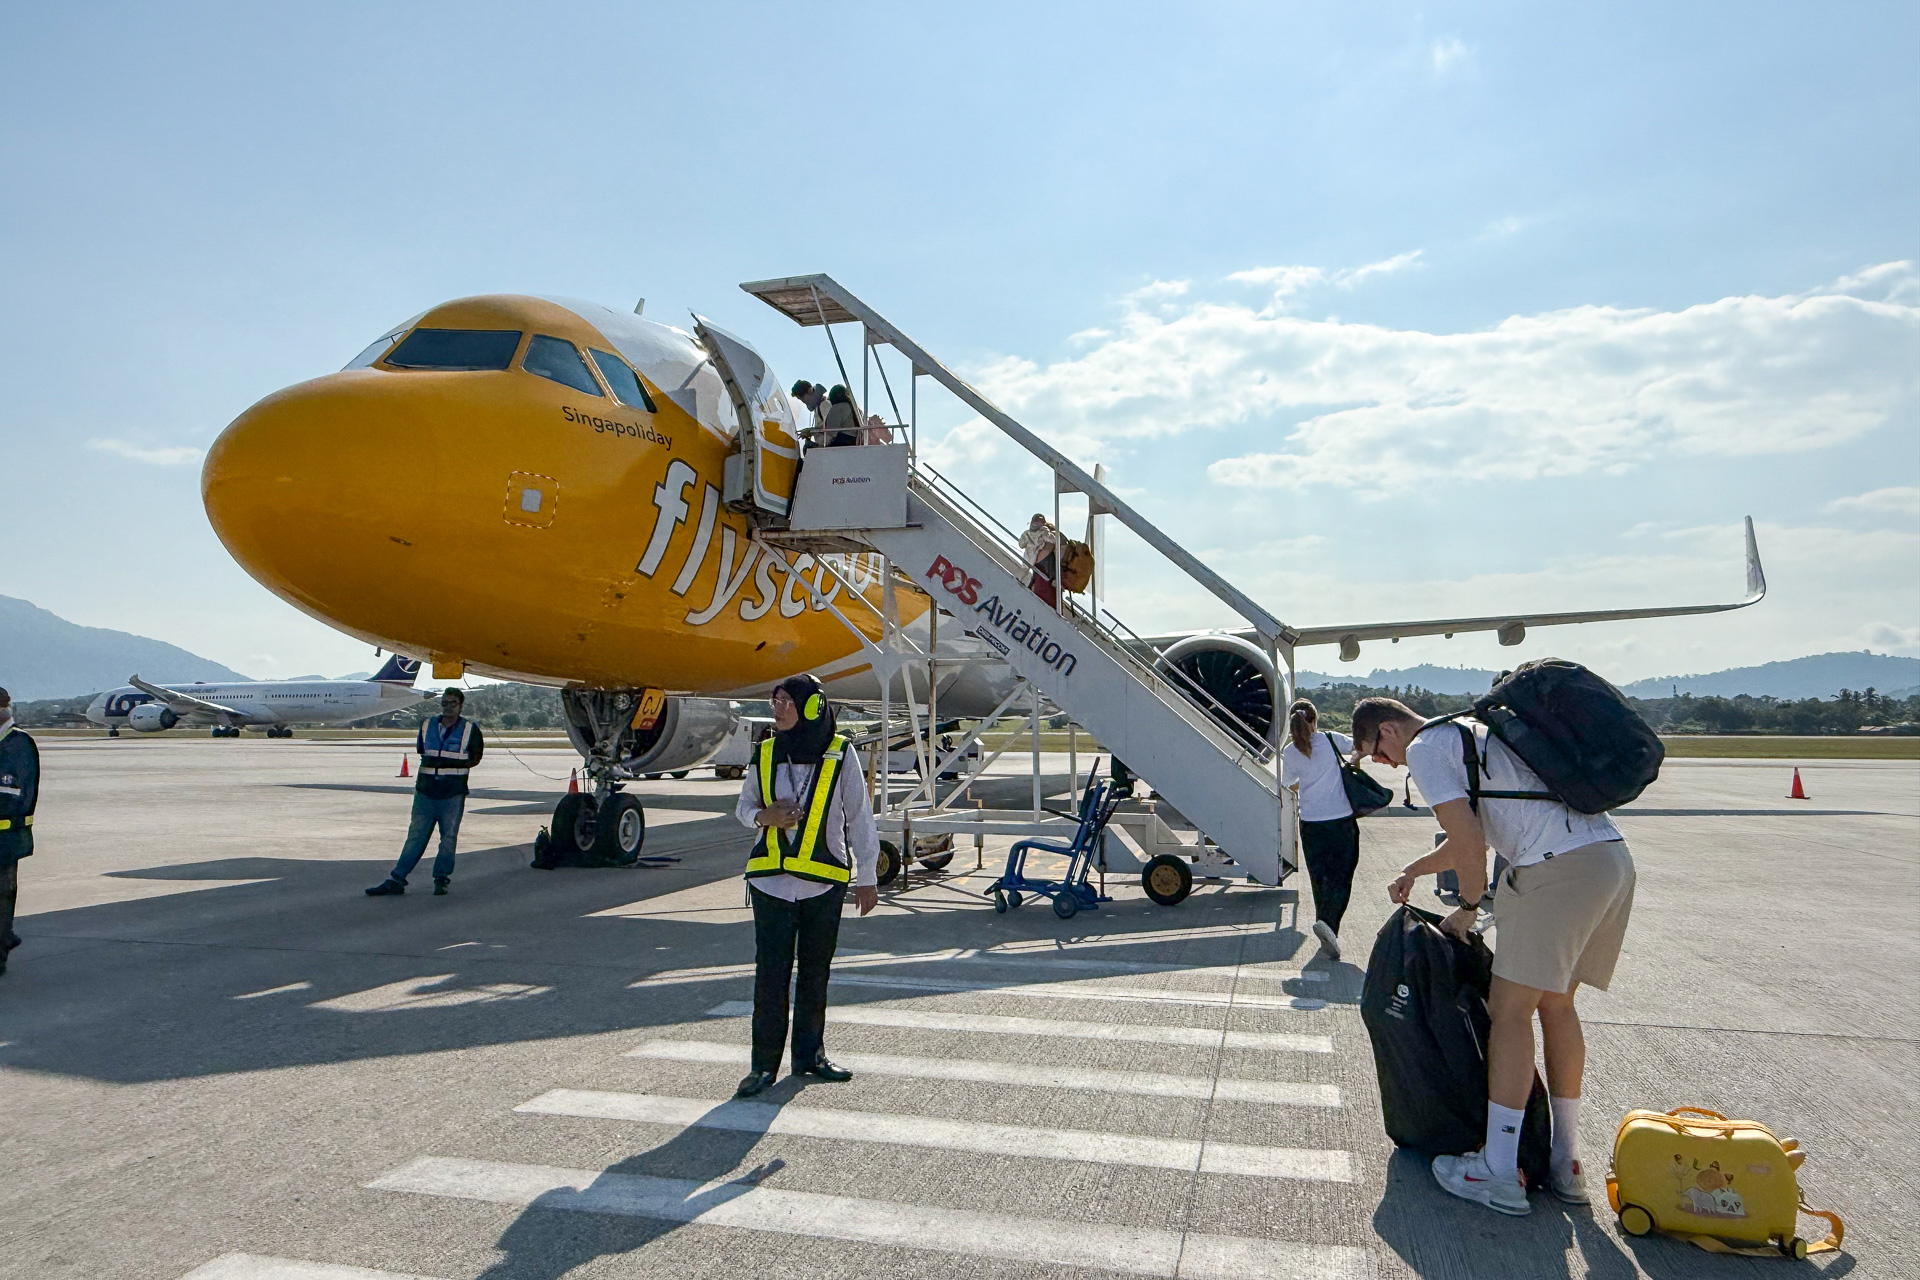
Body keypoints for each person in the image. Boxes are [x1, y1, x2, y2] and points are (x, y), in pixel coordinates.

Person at [1353, 696, 1634, 1217]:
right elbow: (1475, 839)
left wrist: (1466, 906)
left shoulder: (1427, 749)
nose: (1382, 765)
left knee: (1508, 1013)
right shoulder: (1473, 732)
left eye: (1375, 752)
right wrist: (1416, 868)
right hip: (1608, 860)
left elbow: (1468, 843)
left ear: (1388, 729)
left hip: (1555, 871)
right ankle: (1566, 1161)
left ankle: (1499, 1170)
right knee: (1556, 1005)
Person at [732, 673, 879, 1097]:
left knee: (815, 975)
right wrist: (764, 818)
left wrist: (867, 878)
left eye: (785, 703)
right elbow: (743, 807)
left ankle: (810, 1055)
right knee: (770, 977)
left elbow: (859, 817)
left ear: (812, 708)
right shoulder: (763, 752)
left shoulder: (840, 754)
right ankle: (762, 1067)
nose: (777, 709)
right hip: (771, 886)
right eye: (774, 701)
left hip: (824, 885)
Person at [367, 687, 485, 897]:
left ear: (460, 706)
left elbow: (475, 758)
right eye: (445, 703)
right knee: (416, 836)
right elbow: (422, 750)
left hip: (452, 792)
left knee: (448, 838)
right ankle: (397, 880)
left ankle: (441, 879)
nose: (448, 707)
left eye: (453, 704)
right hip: (426, 791)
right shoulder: (427, 725)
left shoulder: (470, 729)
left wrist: (444, 764)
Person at [1278, 698, 1358, 961]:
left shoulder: (1290, 752)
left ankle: (1324, 923)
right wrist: (1352, 763)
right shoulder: (1332, 740)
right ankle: (1329, 925)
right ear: (1315, 719)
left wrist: (1310, 783)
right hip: (1341, 821)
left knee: (1320, 879)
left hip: (1311, 824)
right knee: (1342, 877)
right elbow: (1359, 746)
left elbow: (1289, 784)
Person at [0, 688, 38, 978]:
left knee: (1, 898)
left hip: (6, 837)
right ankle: (5, 937)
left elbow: (13, 794)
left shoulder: (18, 744)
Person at [1018, 512, 1060, 606]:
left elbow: (1021, 544)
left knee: (1026, 572)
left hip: (1031, 557)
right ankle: (1022, 584)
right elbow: (1051, 539)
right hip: (1035, 558)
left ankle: (1021, 583)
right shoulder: (1042, 531)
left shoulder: (1028, 533)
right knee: (1030, 573)